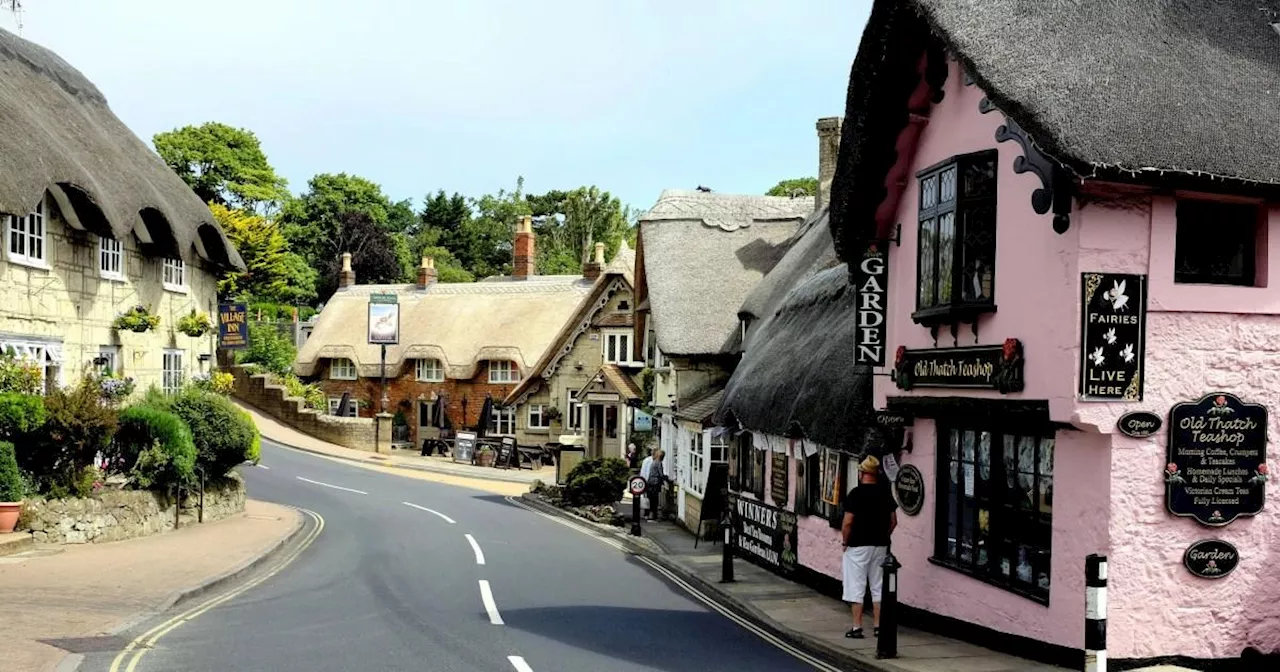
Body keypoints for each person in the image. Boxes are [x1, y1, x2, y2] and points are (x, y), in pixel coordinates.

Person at [841, 454, 897, 639]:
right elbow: (894, 521)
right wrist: (884, 535)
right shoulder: (885, 494)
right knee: (878, 585)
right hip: (880, 546)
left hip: (857, 546)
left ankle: (857, 627)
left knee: (856, 585)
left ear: (862, 473)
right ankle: (878, 626)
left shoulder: (855, 494)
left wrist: (845, 542)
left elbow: (848, 523)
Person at [646, 449, 666, 521]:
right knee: (655, 499)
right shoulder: (658, 463)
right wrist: (666, 479)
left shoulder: (654, 462)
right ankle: (653, 515)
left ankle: (651, 514)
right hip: (655, 482)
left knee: (652, 499)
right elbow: (661, 474)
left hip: (650, 482)